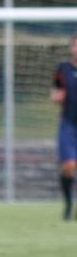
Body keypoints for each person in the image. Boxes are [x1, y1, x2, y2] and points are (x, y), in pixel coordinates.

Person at [50, 33, 77, 220]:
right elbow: (56, 91)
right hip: (68, 124)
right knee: (69, 165)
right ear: (71, 47)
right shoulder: (63, 69)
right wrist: (56, 97)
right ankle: (68, 205)